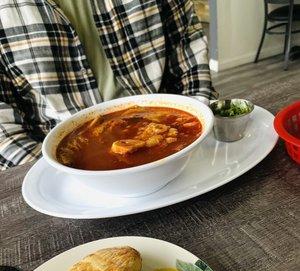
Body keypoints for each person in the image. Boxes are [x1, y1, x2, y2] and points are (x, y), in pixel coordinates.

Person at [0, 0, 217, 170]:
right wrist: (57, 175)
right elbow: (4, 134)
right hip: (55, 161)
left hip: (178, 149)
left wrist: (195, 138)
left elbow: (191, 59)